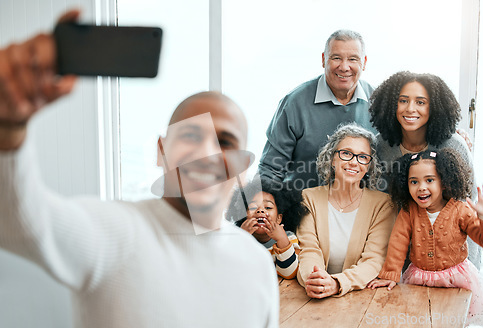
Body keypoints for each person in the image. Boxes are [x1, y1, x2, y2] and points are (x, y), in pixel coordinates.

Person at [0, 10, 279, 328]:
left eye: (225, 140)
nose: (207, 152)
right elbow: (23, 223)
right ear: (162, 152)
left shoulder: (256, 264)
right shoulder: (115, 232)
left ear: (244, 168)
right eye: (191, 135)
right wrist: (8, 129)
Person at [367, 149, 483, 325]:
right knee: (418, 321)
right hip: (419, 280)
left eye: (429, 180)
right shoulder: (409, 210)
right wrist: (389, 275)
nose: (421, 187)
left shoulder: (460, 209)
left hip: (457, 281)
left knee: (452, 321)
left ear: (444, 182)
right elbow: (398, 242)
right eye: (414, 181)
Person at [368, 71, 481, 268]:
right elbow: (377, 205)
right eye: (403, 100)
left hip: (450, 260)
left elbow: (469, 206)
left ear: (434, 107)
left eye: (421, 102)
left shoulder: (454, 146)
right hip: (396, 252)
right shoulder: (381, 147)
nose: (410, 109)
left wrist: (470, 268)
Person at [258, 29, 376, 191]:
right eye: (336, 58)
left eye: (353, 59)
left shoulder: (378, 103)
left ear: (364, 62)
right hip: (301, 206)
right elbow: (271, 169)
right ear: (323, 59)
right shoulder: (294, 103)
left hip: (362, 210)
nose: (344, 67)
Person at [296, 123, 396, 298]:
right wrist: (314, 280)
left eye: (363, 157)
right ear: (332, 158)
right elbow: (308, 250)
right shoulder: (308, 198)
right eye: (346, 153)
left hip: (363, 297)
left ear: (369, 166)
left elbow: (374, 260)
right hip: (313, 295)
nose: (353, 162)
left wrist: (337, 283)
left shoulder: (383, 204)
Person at [226, 178, 308, 279]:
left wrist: (282, 240)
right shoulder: (235, 238)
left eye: (268, 207)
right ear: (243, 216)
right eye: (253, 207)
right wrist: (242, 239)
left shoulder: (288, 238)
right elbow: (230, 270)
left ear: (279, 218)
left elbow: (289, 273)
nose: (260, 210)